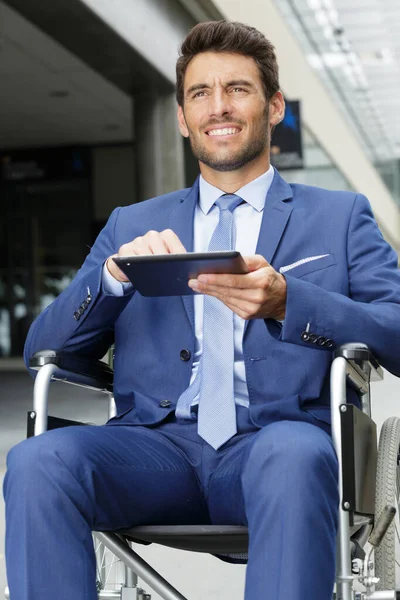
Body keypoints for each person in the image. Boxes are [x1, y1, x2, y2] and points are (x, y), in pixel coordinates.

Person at [4, 19, 400, 600]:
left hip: (278, 442)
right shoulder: (131, 225)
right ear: (183, 118)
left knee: (292, 456)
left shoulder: (340, 217)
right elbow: (46, 347)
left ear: (273, 107)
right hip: (155, 450)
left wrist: (292, 301)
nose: (219, 107)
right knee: (38, 463)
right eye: (200, 94)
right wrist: (114, 279)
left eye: (237, 89)